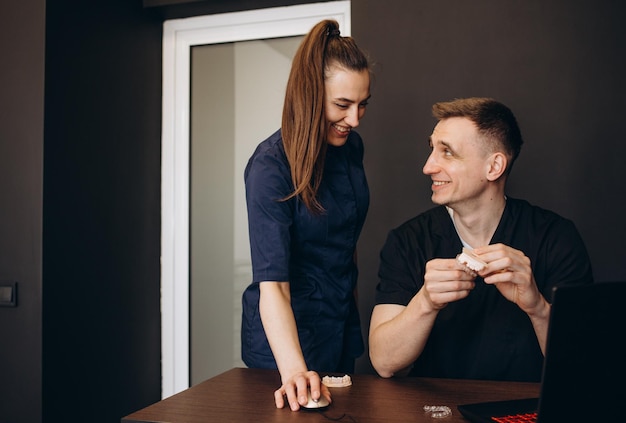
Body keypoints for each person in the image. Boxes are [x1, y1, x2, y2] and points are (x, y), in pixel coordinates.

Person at [368, 97, 593, 382]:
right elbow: (385, 363)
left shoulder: (555, 237)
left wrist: (537, 307)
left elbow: (580, 364)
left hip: (525, 411)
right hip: (434, 412)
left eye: (447, 152)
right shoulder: (408, 241)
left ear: (494, 166)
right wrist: (425, 301)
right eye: (432, 150)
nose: (428, 167)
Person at [240, 19, 372, 411]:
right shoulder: (270, 168)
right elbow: (273, 287)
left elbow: (342, 240)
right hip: (284, 346)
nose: (356, 119)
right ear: (311, 95)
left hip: (338, 323)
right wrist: (295, 371)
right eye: (343, 105)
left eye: (363, 104)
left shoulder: (351, 147)